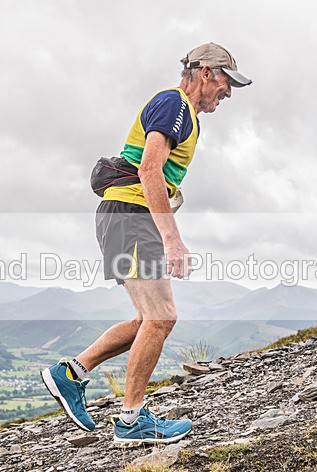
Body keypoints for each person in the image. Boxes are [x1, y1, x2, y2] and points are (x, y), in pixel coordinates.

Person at [41, 42, 251, 445]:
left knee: (147, 319)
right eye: (226, 82)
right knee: (162, 317)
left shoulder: (184, 113)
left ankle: (70, 374)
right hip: (133, 218)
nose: (227, 93)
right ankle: (132, 420)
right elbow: (149, 169)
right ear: (205, 72)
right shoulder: (174, 104)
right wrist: (173, 240)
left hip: (125, 218)